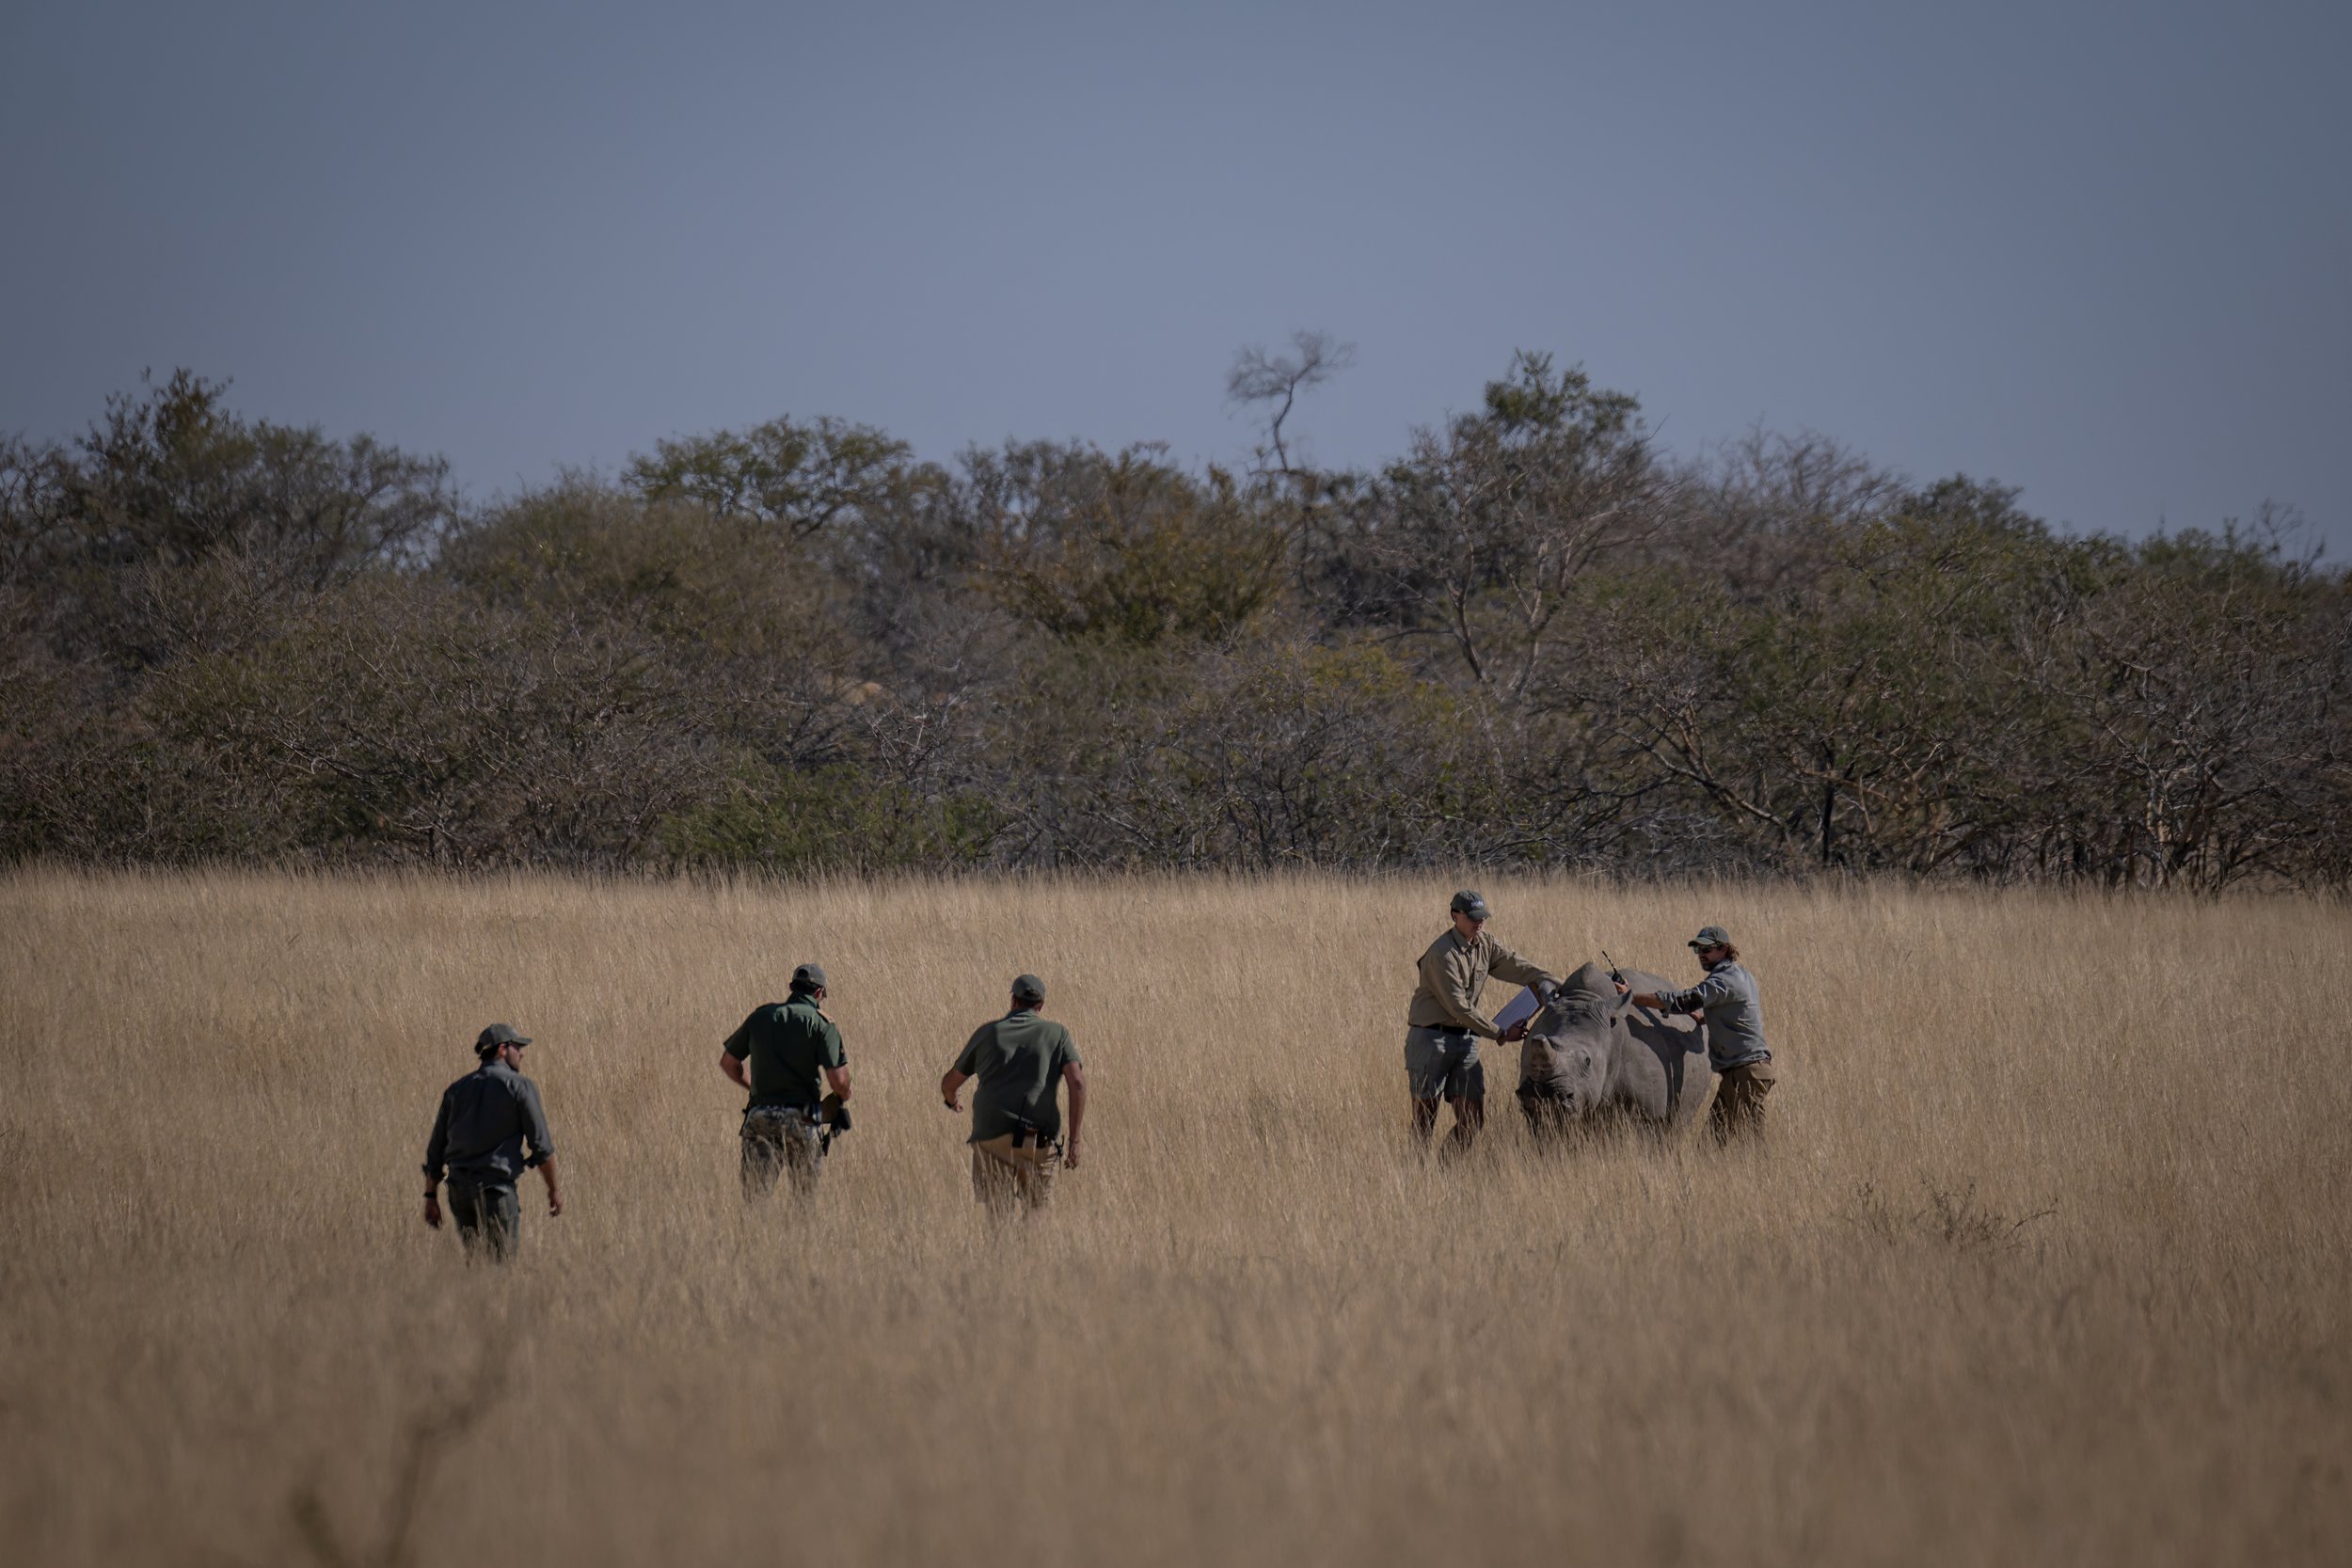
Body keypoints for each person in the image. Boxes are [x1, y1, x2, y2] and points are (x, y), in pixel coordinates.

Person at [1406, 890, 1562, 1154]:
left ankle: (1446, 1172)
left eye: (1483, 917)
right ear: (1455, 916)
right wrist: (1500, 1034)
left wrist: (1557, 983)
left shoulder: (1485, 943)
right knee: (1424, 1121)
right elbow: (1459, 1007)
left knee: (1473, 1120)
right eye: (1473, 917)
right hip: (1431, 1040)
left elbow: (1518, 966)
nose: (1479, 922)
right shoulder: (1442, 954)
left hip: (1466, 1040)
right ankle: (1416, 1176)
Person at [940, 974, 1087, 1215]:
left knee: (999, 1216)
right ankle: (1030, 1250)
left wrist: (951, 1100)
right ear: (1040, 1006)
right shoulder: (1057, 1034)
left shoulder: (988, 1032)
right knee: (1036, 1214)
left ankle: (1002, 1250)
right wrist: (1074, 1141)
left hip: (991, 1135)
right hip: (1036, 1136)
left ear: (1013, 1001)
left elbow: (950, 1082)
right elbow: (1078, 1084)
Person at [1618, 925, 1774, 1143]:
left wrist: (1631, 996)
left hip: (1747, 1073)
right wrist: (1705, 1018)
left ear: (1724, 949)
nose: (1701, 955)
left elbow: (1683, 1001)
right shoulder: (1742, 975)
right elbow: (1737, 1014)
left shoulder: (1724, 980)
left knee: (1751, 1146)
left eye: (1706, 950)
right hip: (1741, 1073)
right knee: (1710, 1146)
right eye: (1697, 950)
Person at [422, 1023, 562, 1261]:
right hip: (496, 1192)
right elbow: (541, 1146)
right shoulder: (520, 1086)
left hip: (460, 1194)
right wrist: (553, 1190)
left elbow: (436, 1149)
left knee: (475, 1262)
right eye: (518, 1047)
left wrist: (430, 1197)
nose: (522, 1053)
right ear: (502, 1050)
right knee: (500, 1268)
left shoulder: (456, 1090)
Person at [721, 963, 853, 1199]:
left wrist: (757, 1089)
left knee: (755, 1200)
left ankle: (753, 1236)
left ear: (792, 987)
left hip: (759, 1115)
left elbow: (729, 1063)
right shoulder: (822, 1023)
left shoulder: (760, 1017)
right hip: (802, 1117)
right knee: (804, 1201)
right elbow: (839, 1080)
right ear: (819, 993)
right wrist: (842, 1098)